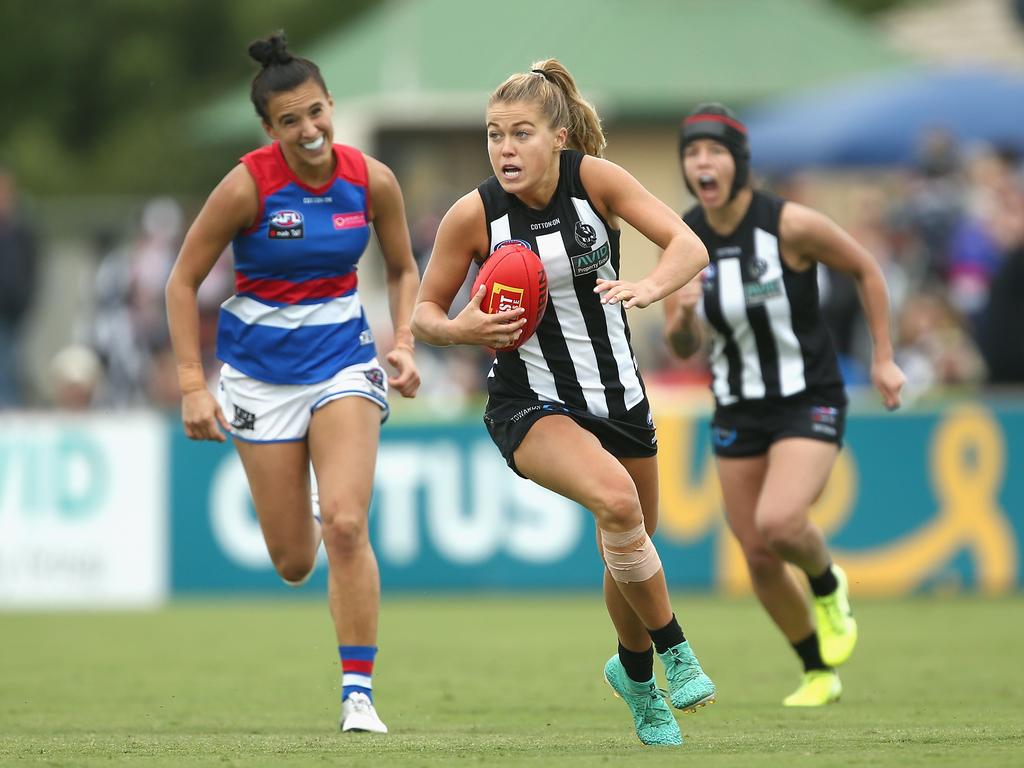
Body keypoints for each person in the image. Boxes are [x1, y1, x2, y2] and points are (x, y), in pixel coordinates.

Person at [411, 59, 714, 747]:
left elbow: (687, 246)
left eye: (520, 133)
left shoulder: (595, 182)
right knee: (616, 502)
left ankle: (633, 674)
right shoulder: (475, 214)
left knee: (630, 542)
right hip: (529, 401)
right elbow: (424, 314)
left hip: (620, 396)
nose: (505, 148)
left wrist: (651, 286)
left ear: (559, 138)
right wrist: (460, 329)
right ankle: (676, 655)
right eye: (494, 135)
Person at [165, 33, 420, 734]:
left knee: (345, 522)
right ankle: (310, 503)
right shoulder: (247, 185)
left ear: (332, 105)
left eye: (316, 113)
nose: (308, 131)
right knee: (292, 561)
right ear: (269, 130)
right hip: (259, 379)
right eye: (290, 121)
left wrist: (405, 341)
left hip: (344, 361)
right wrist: (194, 383)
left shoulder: (372, 180)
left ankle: (358, 694)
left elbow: (401, 268)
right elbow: (182, 281)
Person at [664, 103, 906, 707]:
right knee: (758, 553)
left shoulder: (789, 224)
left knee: (779, 522)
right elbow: (682, 345)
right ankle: (818, 670)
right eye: (692, 154)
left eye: (713, 151)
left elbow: (866, 269)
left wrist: (883, 357)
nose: (702, 163)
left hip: (808, 398)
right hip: (736, 407)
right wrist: (686, 314)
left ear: (739, 162)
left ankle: (827, 584)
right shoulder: (682, 240)